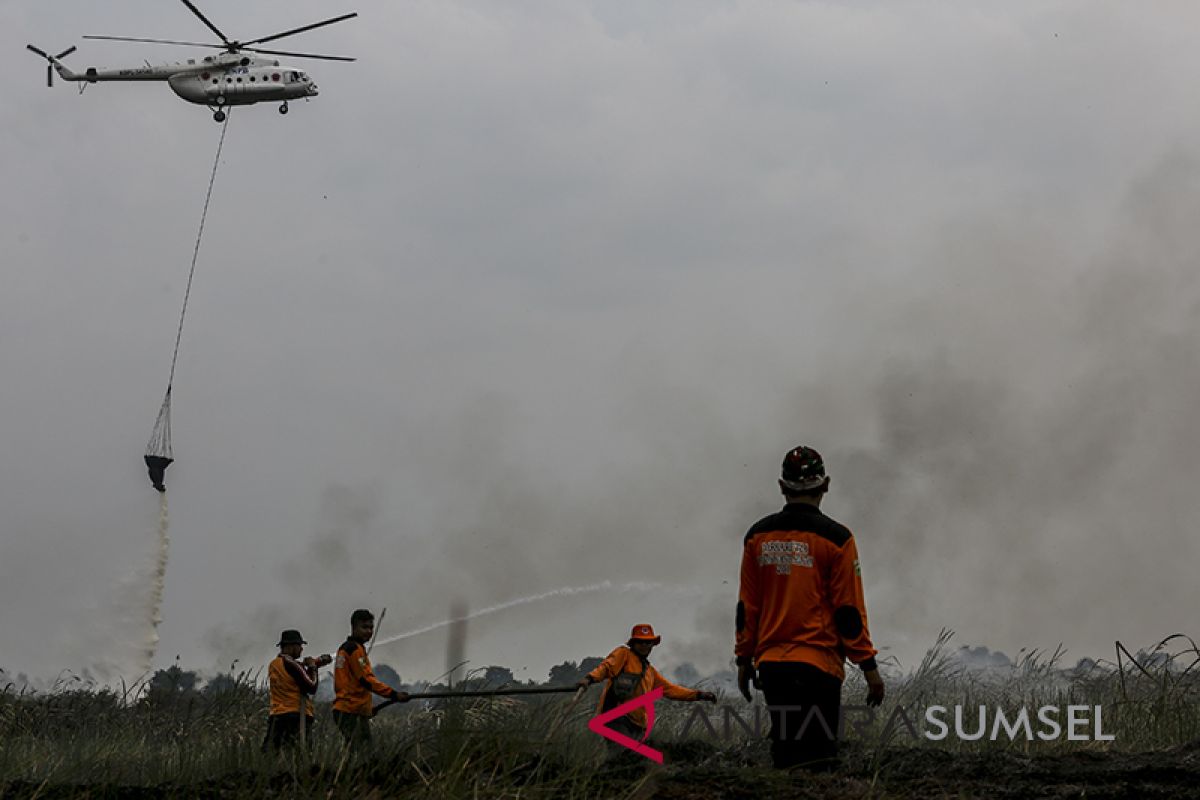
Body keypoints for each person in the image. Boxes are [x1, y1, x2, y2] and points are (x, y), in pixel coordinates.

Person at [735, 445, 885, 771]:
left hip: (772, 668)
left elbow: (748, 608)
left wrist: (743, 659)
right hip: (818, 669)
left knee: (785, 760)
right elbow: (848, 613)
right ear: (825, 485)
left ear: (782, 486)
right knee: (818, 765)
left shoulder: (757, 537)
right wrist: (870, 669)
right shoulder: (838, 539)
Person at [576, 623, 716, 756]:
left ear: (652, 645)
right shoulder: (623, 655)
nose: (644, 646)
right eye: (640, 642)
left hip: (637, 725)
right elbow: (606, 667)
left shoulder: (650, 672)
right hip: (615, 718)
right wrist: (589, 679)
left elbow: (671, 690)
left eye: (648, 642)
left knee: (634, 760)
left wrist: (698, 695)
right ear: (633, 643)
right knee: (622, 755)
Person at [332, 608, 409, 748]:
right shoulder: (354, 650)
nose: (369, 631)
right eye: (364, 627)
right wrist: (393, 694)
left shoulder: (351, 648)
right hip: (349, 711)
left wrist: (366, 708)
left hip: (351, 710)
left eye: (371, 627)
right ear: (354, 627)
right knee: (362, 753)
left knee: (360, 751)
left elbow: (354, 683)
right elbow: (366, 680)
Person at [264, 629, 332, 752]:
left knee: (273, 753)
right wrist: (313, 667)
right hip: (295, 717)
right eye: (299, 645)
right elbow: (311, 686)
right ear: (290, 646)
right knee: (299, 754)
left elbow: (296, 676)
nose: (301, 649)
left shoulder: (275, 664)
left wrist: (314, 664)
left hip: (277, 716)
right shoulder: (292, 664)